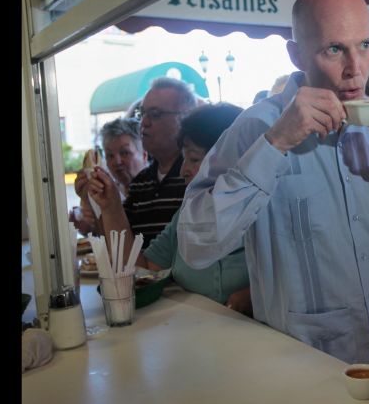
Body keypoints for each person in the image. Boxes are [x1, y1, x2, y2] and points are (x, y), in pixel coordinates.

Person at [176, 0, 369, 387]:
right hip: (307, 380)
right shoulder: (258, 127)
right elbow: (196, 245)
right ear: (297, 55)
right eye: (334, 49)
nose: (356, 69)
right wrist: (277, 144)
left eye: (365, 45)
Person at [88, 103, 252, 314]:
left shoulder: (268, 213)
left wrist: (253, 295)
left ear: (231, 160)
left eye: (193, 159)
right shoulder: (187, 215)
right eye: (184, 159)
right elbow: (142, 270)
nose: (183, 170)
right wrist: (111, 207)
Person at [121, 77, 198, 248]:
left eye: (155, 114)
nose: (144, 122)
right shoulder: (141, 182)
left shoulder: (195, 176)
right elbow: (120, 241)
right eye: (142, 114)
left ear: (184, 119)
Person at [70, 118, 149, 236]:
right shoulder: (110, 190)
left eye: (125, 153)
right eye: (110, 155)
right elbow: (112, 239)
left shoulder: (152, 191)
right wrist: (88, 225)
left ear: (144, 155)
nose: (117, 161)